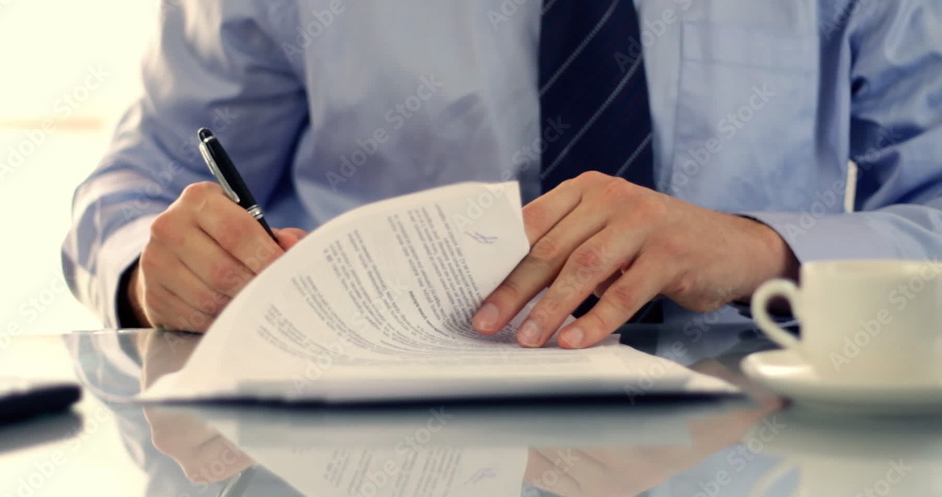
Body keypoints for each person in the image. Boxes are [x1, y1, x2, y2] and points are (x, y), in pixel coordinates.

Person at [62, 0, 942, 348]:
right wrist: (153, 270)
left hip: (766, 462)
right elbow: (141, 188)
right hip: (366, 469)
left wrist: (761, 253)